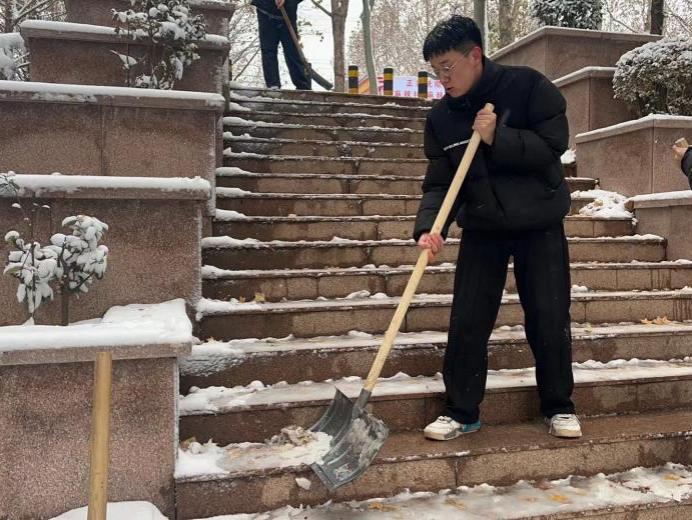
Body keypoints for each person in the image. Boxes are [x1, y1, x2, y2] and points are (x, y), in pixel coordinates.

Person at [414, 15, 581, 441]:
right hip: (483, 226)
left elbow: (553, 146)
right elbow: (440, 182)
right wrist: (430, 226)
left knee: (548, 315)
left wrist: (498, 137)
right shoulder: (442, 118)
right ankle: (461, 411)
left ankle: (558, 406)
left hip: (539, 223)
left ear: (475, 55)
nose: (443, 79)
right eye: (435, 71)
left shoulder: (528, 87)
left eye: (448, 67)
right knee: (468, 319)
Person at [251, 0, 311, 90]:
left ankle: (302, 86)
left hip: (288, 14)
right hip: (265, 12)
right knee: (268, 50)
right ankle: (273, 85)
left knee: (292, 51)